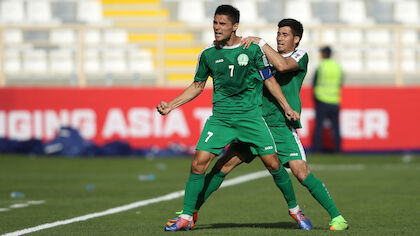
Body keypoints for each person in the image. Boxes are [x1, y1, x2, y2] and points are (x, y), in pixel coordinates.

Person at [186, 19, 349, 231]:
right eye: (278, 34)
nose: (280, 38)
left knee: (301, 172)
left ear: (296, 39)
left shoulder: (299, 56)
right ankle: (191, 211)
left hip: (280, 126)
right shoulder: (263, 55)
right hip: (254, 123)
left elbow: (281, 66)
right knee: (223, 166)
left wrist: (260, 42)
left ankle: (337, 217)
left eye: (285, 35)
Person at [157, 5, 299, 231]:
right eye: (215, 23)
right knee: (198, 164)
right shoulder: (208, 54)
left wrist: (286, 107)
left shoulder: (252, 50)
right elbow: (197, 85)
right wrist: (171, 105)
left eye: (222, 24)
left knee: (273, 164)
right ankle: (185, 217)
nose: (216, 27)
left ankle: (294, 208)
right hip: (221, 119)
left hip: (250, 119)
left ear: (235, 26)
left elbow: (269, 81)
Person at [312, 46, 343, 153]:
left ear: (324, 54)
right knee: (336, 127)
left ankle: (317, 149)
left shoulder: (321, 66)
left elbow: (315, 83)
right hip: (334, 100)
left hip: (322, 99)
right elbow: (340, 82)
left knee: (319, 126)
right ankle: (338, 149)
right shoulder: (337, 66)